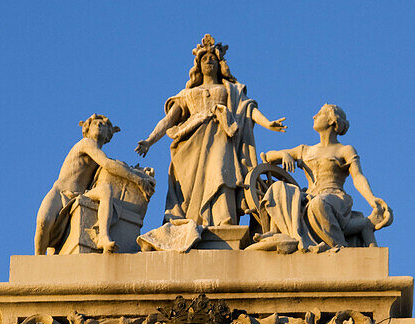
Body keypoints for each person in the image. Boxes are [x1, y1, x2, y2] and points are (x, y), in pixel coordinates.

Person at [136, 35, 286, 227]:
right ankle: (190, 221)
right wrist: (149, 140)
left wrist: (268, 123)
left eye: (213, 58)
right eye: (204, 58)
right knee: (187, 185)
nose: (209, 61)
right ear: (197, 65)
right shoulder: (187, 93)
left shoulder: (230, 89)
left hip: (220, 135)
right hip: (189, 141)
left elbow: (246, 109)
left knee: (220, 172)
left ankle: (223, 219)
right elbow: (168, 120)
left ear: (219, 64)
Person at [258, 104, 391, 249]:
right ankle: (276, 233)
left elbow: (358, 177)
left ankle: (338, 245)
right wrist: (283, 154)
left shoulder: (345, 150)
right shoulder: (305, 150)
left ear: (331, 121)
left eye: (319, 114)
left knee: (319, 203)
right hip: (308, 196)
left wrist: (372, 199)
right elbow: (268, 156)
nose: (314, 116)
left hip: (335, 197)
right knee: (278, 188)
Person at [35, 114, 154, 254]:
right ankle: (38, 257)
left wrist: (141, 172)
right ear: (86, 129)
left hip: (78, 195)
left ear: (109, 134)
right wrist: (138, 180)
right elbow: (109, 165)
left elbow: (115, 168)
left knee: (105, 190)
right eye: (94, 124)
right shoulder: (87, 143)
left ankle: (103, 237)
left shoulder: (98, 155)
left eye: (102, 125)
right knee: (44, 221)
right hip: (60, 192)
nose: (98, 125)